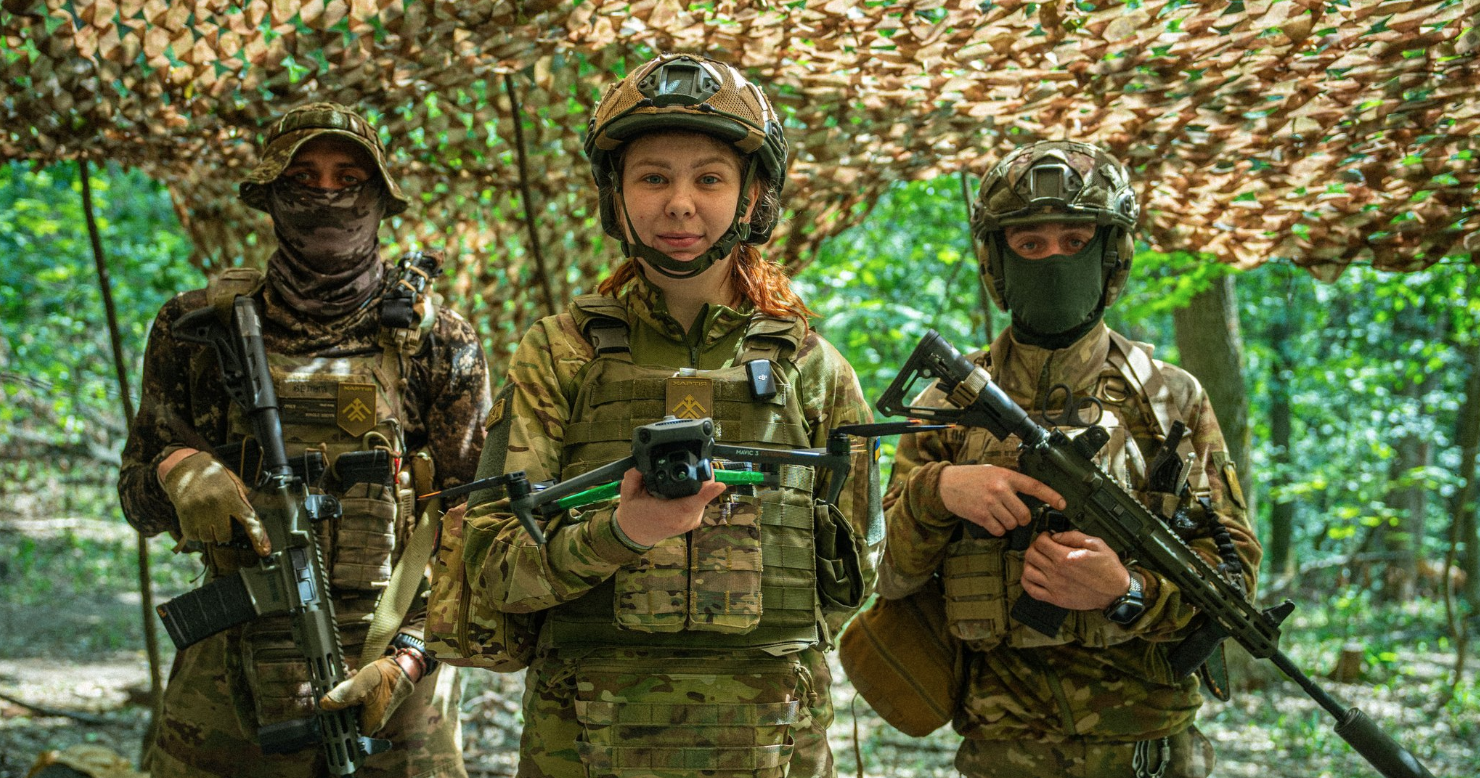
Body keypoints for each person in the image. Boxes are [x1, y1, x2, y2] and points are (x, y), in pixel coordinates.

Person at [459, 53, 879, 778]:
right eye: (653, 177)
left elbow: (853, 577)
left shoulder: (812, 368)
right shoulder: (559, 355)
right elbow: (494, 569)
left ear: (751, 197)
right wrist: (622, 533)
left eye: (709, 178)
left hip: (770, 744)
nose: (680, 204)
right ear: (615, 196)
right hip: (583, 745)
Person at [117, 102, 490, 778]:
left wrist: (408, 658)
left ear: (380, 198)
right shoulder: (196, 327)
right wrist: (178, 471)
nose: (327, 196)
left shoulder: (438, 340)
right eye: (302, 180)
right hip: (231, 671)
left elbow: (479, 530)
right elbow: (136, 498)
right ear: (270, 196)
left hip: (395, 679)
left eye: (348, 179)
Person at [874, 140, 1262, 778]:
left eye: (1075, 241)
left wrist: (1126, 592)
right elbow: (885, 577)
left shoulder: (1169, 399)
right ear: (997, 262)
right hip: (1001, 753)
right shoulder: (946, 402)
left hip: (1147, 751)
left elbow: (1234, 574)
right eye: (1029, 244)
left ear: (1112, 256)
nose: (1054, 260)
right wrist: (938, 491)